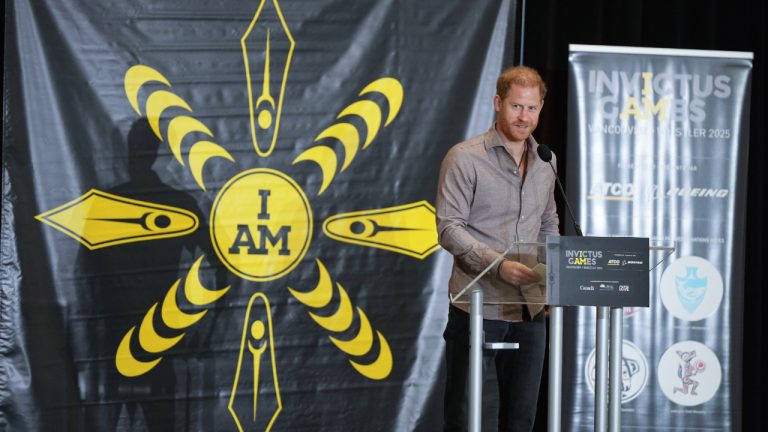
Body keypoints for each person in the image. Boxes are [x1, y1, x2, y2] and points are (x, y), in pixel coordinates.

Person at [435, 65, 560, 432]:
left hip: (529, 307)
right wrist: (497, 265)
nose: (524, 117)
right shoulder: (464, 158)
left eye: (532, 108)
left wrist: (552, 276)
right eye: (516, 107)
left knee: (521, 420)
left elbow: (548, 223)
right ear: (497, 103)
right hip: (477, 303)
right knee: (463, 417)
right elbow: (448, 228)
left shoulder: (546, 161)